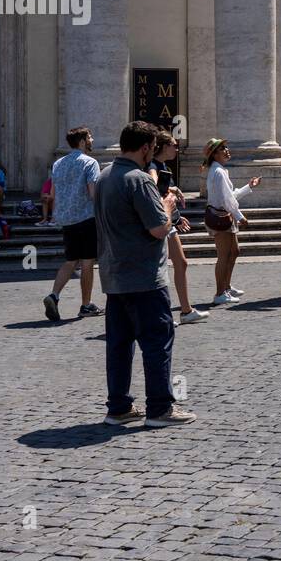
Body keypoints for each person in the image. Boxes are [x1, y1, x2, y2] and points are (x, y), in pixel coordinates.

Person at [95, 120, 196, 427]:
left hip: (115, 276)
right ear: (144, 147)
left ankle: (119, 407)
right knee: (157, 341)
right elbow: (158, 229)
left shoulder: (104, 176)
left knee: (119, 344)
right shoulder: (139, 180)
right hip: (144, 277)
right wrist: (166, 206)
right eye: (152, 147)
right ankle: (160, 409)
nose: (153, 153)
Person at [148, 131, 208, 325]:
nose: (177, 149)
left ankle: (186, 310)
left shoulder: (164, 166)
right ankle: (160, 314)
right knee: (159, 270)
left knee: (181, 263)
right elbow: (154, 186)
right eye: (174, 145)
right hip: (158, 223)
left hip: (169, 222)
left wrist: (177, 217)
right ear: (164, 147)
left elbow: (167, 198)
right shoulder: (153, 166)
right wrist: (172, 189)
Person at [44, 126, 102, 321]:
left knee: (70, 260)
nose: (92, 139)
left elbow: (52, 194)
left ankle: (54, 295)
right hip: (86, 217)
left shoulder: (58, 164)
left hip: (66, 218)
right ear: (83, 141)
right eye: (90, 136)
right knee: (87, 261)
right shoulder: (90, 163)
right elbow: (93, 193)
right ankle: (86, 305)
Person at [202, 138, 259, 305]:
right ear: (214, 154)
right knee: (224, 256)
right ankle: (220, 293)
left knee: (234, 252)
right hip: (221, 217)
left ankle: (226, 287)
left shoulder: (219, 170)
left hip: (225, 216)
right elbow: (227, 200)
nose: (227, 150)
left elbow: (230, 196)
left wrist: (249, 187)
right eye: (222, 149)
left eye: (226, 147)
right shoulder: (218, 172)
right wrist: (240, 217)